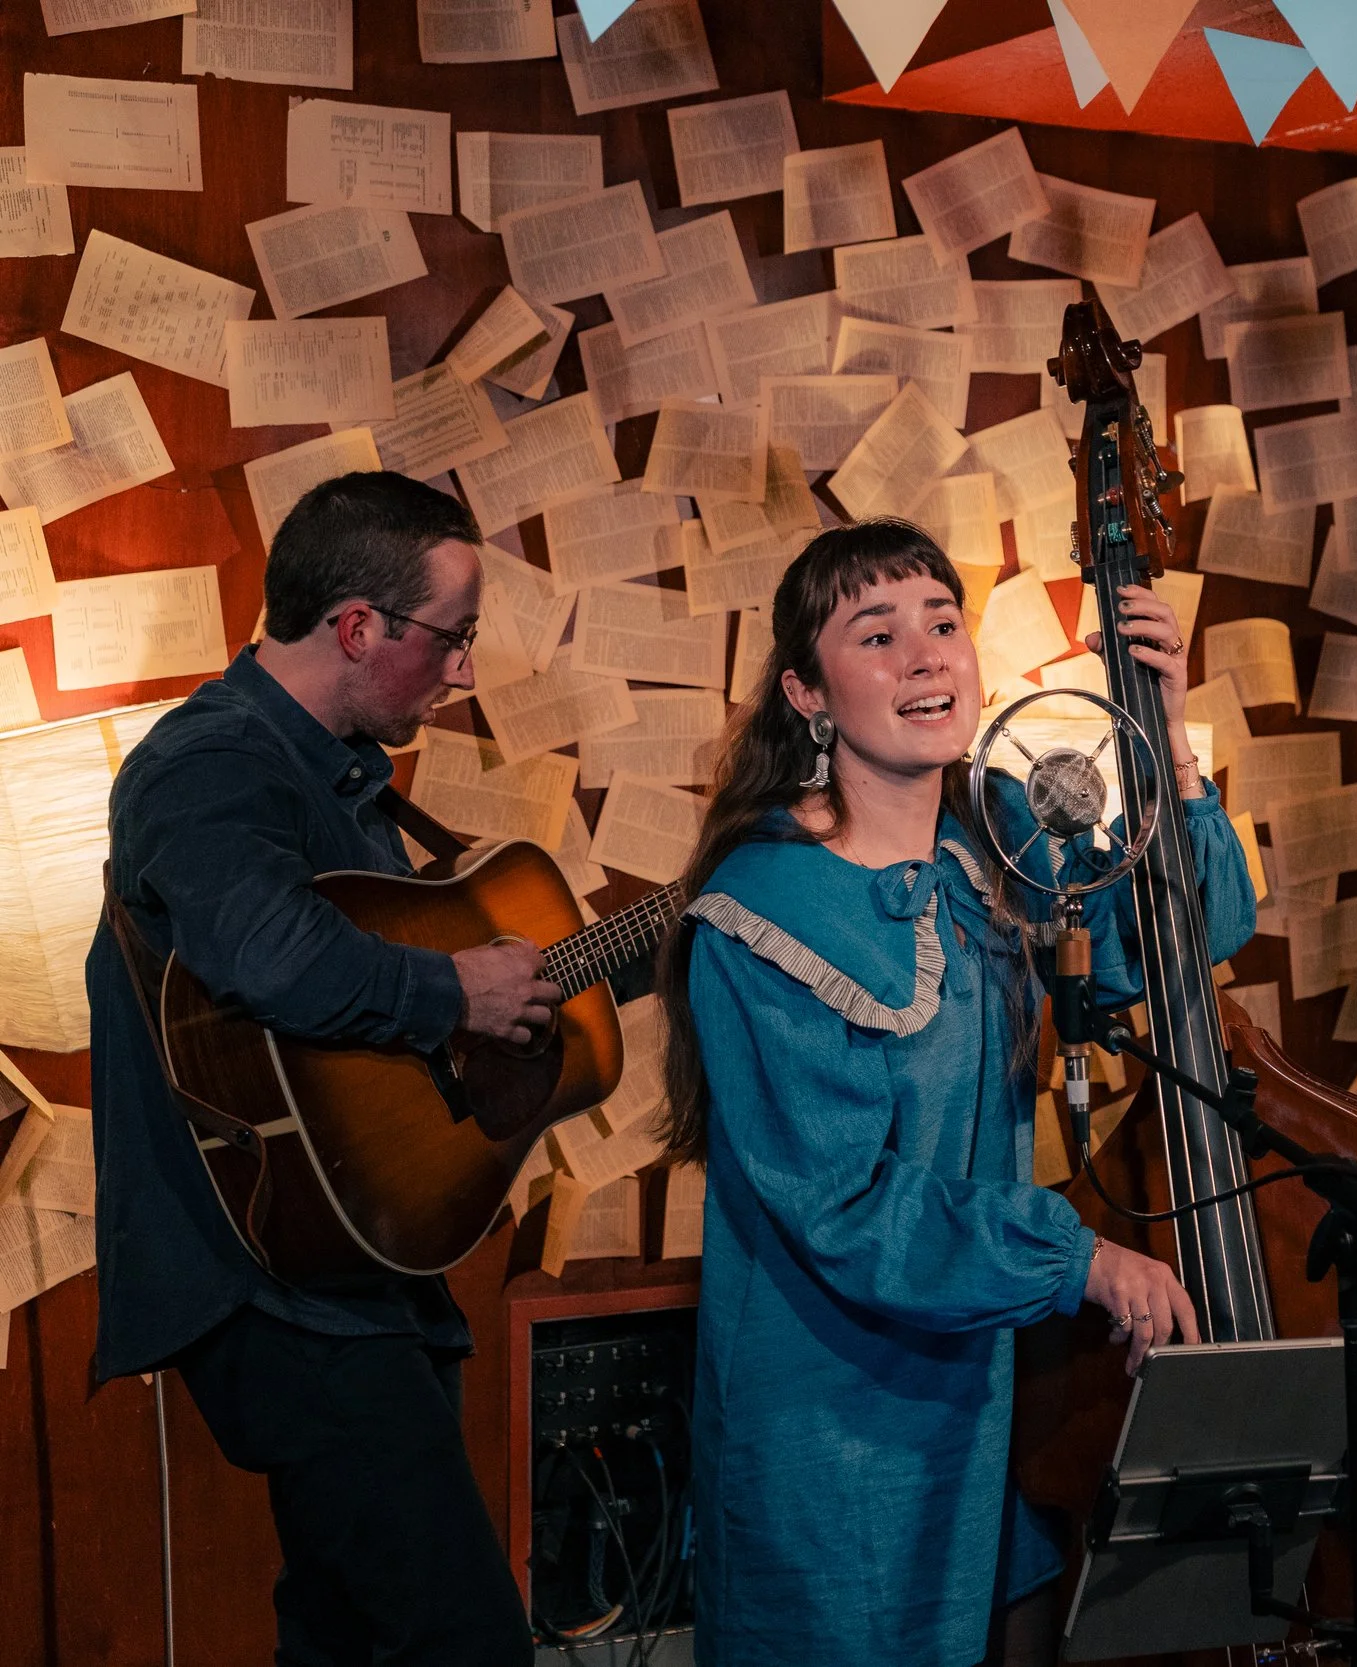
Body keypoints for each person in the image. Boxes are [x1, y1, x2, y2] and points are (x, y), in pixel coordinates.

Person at [654, 520, 1256, 1666]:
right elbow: (843, 1206)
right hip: (835, 1416)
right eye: (876, 635)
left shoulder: (1003, 832)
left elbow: (1188, 937)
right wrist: (1077, 1259)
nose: (926, 655)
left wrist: (1166, 737)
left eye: (942, 623)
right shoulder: (761, 907)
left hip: (993, 1386)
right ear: (807, 691)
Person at [88, 471, 550, 1665]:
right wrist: (457, 990)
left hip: (354, 1274)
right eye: (451, 637)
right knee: (462, 1640)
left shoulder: (341, 778)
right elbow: (267, 951)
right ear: (357, 626)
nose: (462, 670)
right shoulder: (211, 764)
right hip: (272, 1283)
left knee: (349, 1638)